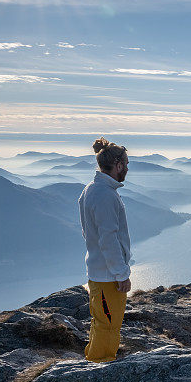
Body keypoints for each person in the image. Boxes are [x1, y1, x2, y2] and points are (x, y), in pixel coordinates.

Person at [78, 137, 132, 362]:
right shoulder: (105, 195)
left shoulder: (92, 189)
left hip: (100, 272)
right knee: (108, 326)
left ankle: (93, 361)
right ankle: (100, 367)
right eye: (126, 164)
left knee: (101, 323)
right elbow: (108, 239)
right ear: (118, 165)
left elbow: (90, 233)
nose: (127, 169)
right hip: (108, 276)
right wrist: (121, 273)